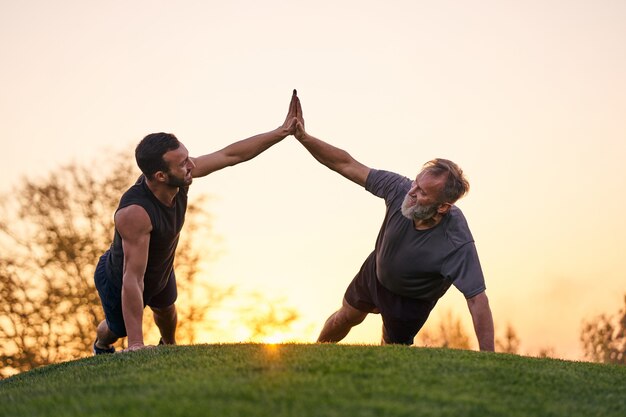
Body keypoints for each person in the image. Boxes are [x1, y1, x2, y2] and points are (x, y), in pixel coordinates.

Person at [93, 91, 299, 354]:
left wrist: (281, 132)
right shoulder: (135, 213)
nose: (191, 165)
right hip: (120, 277)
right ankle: (101, 344)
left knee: (167, 311)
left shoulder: (181, 174)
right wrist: (135, 343)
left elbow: (230, 156)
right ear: (160, 175)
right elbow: (132, 278)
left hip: (160, 265)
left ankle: (169, 348)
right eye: (182, 163)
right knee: (116, 329)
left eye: (187, 157)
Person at [292, 95, 494, 350]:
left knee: (390, 349)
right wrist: (304, 137)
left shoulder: (456, 241)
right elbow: (346, 164)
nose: (412, 192)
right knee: (345, 316)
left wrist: (489, 356)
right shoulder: (399, 189)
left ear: (443, 206)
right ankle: (314, 353)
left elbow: (477, 300)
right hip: (376, 271)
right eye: (415, 183)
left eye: (422, 192)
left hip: (410, 301)